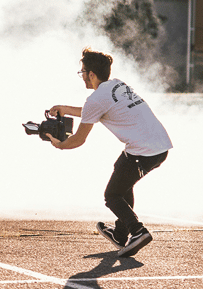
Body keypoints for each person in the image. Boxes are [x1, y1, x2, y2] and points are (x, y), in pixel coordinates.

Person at [46, 48, 173, 258]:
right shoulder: (117, 85)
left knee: (112, 195)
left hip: (144, 151)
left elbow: (78, 139)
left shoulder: (96, 99)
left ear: (91, 74)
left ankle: (138, 231)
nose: (81, 76)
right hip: (160, 146)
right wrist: (65, 109)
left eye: (82, 72)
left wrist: (59, 144)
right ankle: (120, 235)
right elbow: (94, 111)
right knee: (122, 174)